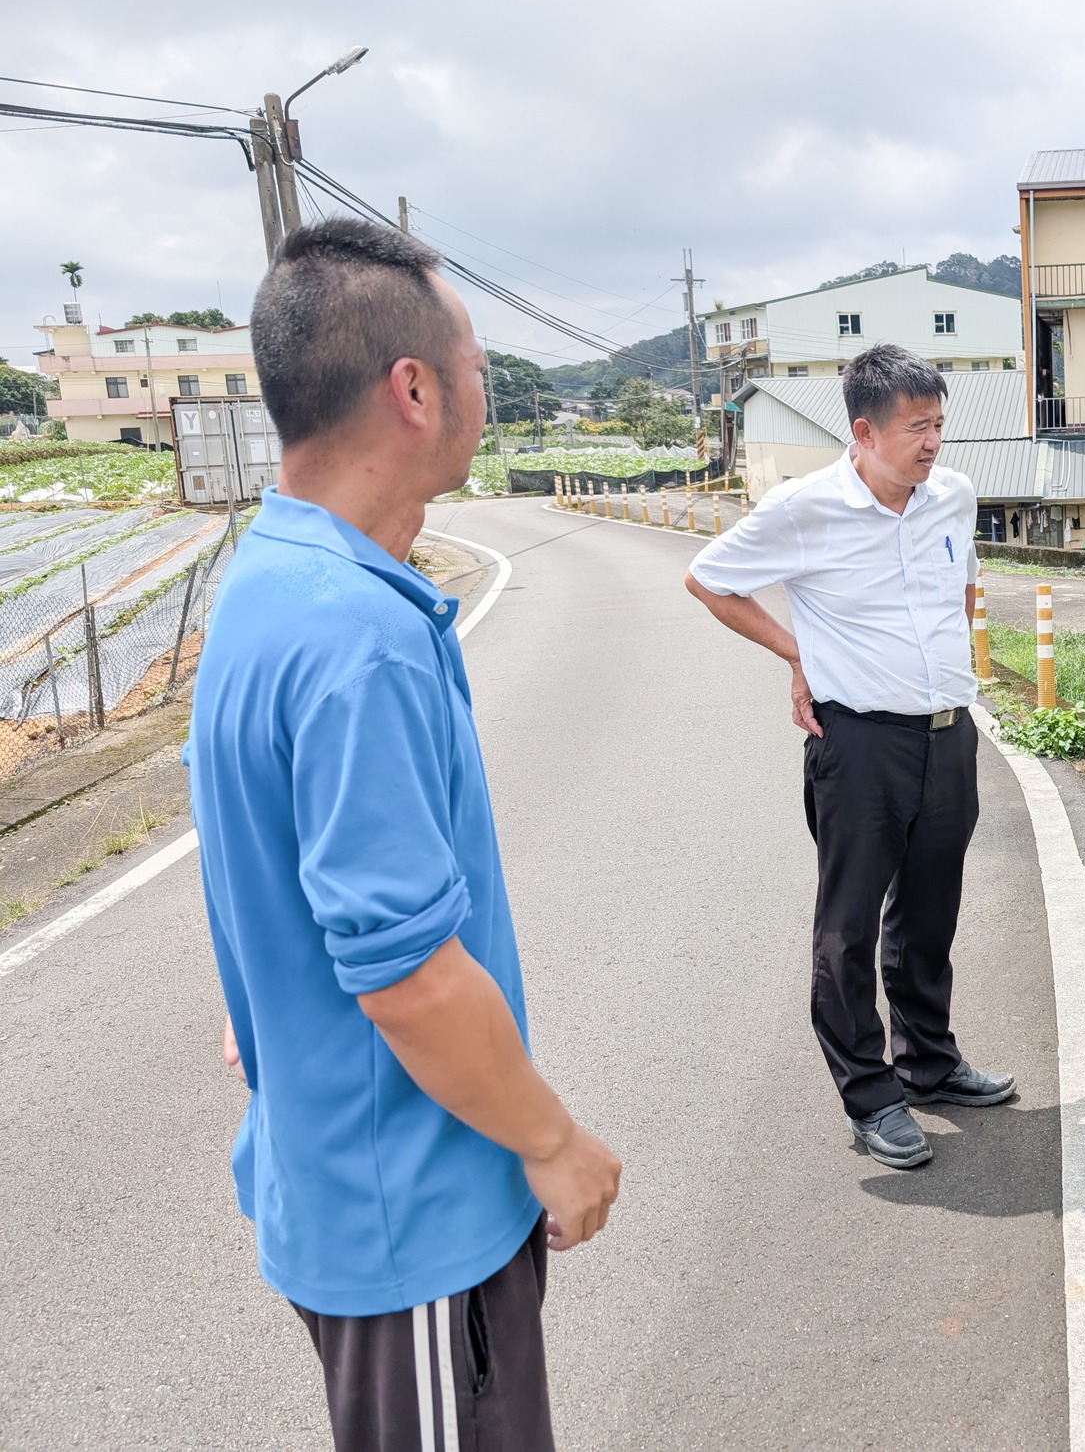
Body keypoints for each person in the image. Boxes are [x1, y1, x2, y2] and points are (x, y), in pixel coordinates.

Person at [188, 219, 620, 1451]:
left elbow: (249, 837)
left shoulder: (274, 581)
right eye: (477, 363)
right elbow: (411, 978)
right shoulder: (353, 637)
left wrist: (259, 990)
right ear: (414, 390)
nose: (488, 390)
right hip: (413, 1221)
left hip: (341, 1173)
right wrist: (555, 1142)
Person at [685, 343, 1015, 1169]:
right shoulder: (805, 508)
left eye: (939, 424)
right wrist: (797, 653)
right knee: (849, 927)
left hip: (949, 734)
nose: (933, 442)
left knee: (929, 914)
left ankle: (930, 1064)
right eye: (916, 427)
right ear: (864, 431)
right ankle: (870, 1096)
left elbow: (961, 588)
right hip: (859, 743)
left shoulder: (954, 498)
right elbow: (710, 579)